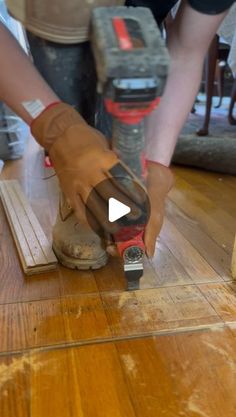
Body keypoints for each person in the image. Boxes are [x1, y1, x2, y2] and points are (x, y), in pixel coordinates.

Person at [0, 0, 234, 270]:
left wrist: (156, 164)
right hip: (57, 16)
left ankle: (110, 188)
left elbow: (187, 50)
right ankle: (79, 189)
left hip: (141, 12)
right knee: (64, 51)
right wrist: (57, 128)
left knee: (133, 56)